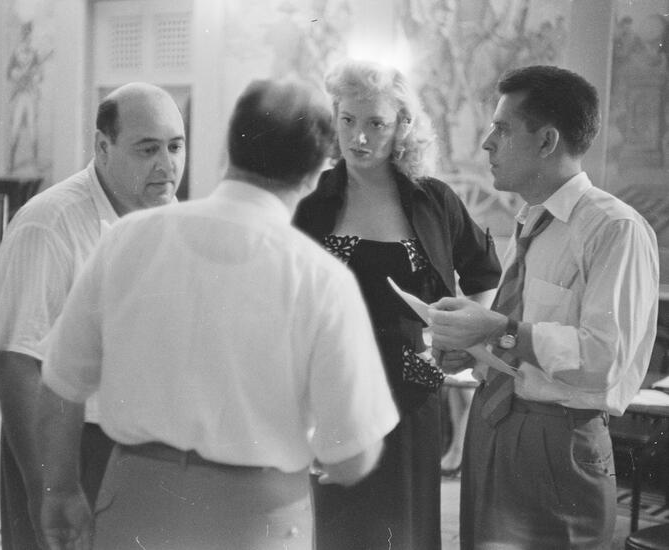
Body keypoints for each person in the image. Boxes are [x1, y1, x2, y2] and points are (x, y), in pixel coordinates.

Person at [36, 77, 399, 550]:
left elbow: (59, 385)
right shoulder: (321, 278)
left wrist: (60, 489)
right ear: (317, 171)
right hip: (257, 519)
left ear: (230, 149)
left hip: (136, 503)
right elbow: (353, 457)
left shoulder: (126, 239)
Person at [429, 65, 659, 549]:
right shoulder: (533, 221)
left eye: (502, 128)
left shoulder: (614, 229)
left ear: (547, 141)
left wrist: (498, 329)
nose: (487, 143)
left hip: (556, 442)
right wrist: (475, 352)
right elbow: (525, 339)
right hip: (494, 424)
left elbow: (604, 359)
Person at [293, 59, 501, 550]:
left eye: (376, 123)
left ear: (403, 126)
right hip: (335, 392)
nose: (359, 137)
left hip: (411, 394)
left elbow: (484, 273)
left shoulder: (434, 200)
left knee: (404, 529)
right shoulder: (313, 203)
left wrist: (461, 337)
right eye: (348, 120)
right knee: (340, 529)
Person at [0, 82, 186, 548]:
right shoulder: (48, 224)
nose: (167, 165)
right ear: (102, 147)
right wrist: (50, 489)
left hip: (144, 449)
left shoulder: (170, 216)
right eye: (148, 149)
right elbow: (16, 364)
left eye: (175, 147)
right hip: (69, 448)